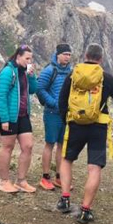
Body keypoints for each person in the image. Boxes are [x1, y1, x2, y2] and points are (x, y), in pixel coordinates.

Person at [56, 44, 113, 224]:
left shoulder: (73, 74)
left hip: (75, 123)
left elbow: (62, 99)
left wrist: (67, 120)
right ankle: (85, 210)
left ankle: (64, 199)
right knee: (94, 168)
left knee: (67, 160)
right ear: (100, 58)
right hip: (98, 126)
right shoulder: (105, 77)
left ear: (85, 55)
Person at [0, 45, 38, 193]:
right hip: (9, 115)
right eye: (27, 58)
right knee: (8, 147)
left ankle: (21, 181)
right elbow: (1, 96)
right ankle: (3, 181)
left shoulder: (25, 73)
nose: (29, 61)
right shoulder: (8, 71)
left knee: (28, 146)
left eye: (30, 59)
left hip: (23, 114)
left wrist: (32, 75)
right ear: (18, 57)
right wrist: (4, 119)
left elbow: (32, 90)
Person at [36, 44, 73, 190]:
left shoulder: (70, 72)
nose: (67, 57)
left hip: (65, 115)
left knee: (61, 146)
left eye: (69, 55)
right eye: (65, 54)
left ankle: (59, 177)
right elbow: (39, 88)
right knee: (49, 144)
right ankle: (45, 177)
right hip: (52, 114)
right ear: (57, 55)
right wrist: (53, 103)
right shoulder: (49, 70)